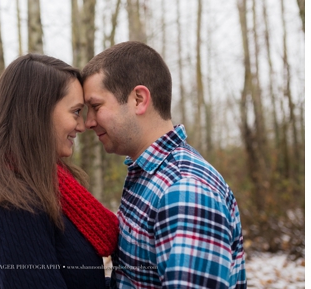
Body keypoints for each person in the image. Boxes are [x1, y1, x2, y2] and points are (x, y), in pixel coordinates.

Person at [80, 41, 246, 288]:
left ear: (138, 99)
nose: (88, 122)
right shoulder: (150, 175)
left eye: (95, 107)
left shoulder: (185, 190)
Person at [0, 54, 118, 289]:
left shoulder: (48, 188)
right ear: (38, 113)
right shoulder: (14, 208)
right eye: (76, 111)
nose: (82, 125)